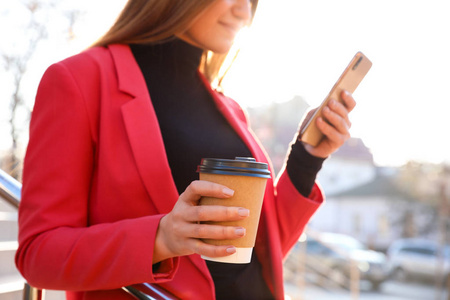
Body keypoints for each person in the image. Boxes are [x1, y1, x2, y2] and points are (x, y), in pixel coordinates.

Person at [15, 0, 356, 299]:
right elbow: (38, 255)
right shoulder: (79, 80)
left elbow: (256, 252)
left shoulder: (228, 106)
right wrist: (161, 238)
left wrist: (306, 158)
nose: (245, 12)